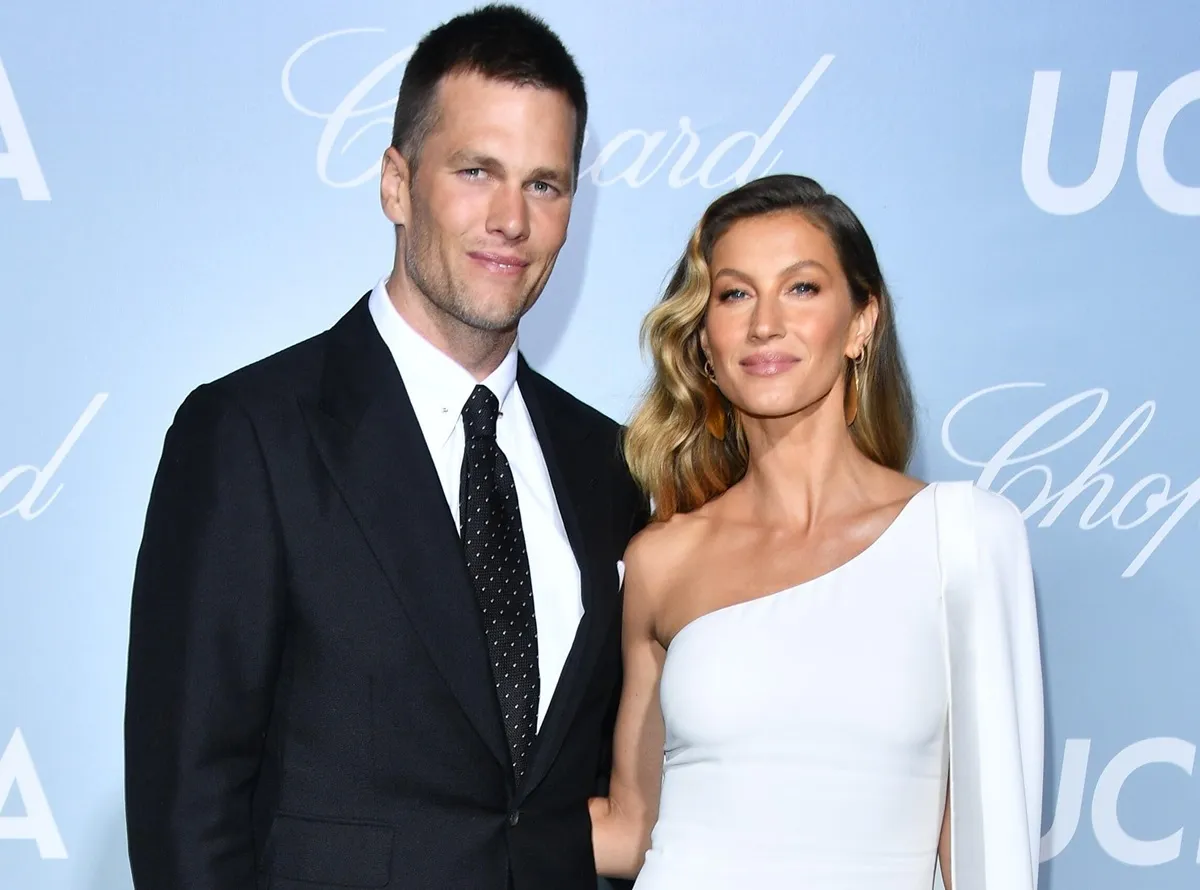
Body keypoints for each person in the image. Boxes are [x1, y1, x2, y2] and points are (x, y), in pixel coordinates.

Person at [123, 5, 646, 889]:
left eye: (545, 184)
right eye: (476, 170)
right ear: (396, 184)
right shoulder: (251, 435)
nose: (511, 219)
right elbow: (188, 805)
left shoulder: (611, 467)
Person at [589, 174, 1044, 889]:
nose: (765, 323)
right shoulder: (663, 560)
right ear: (705, 340)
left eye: (801, 288)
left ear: (862, 322)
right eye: (735, 294)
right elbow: (631, 827)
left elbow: (988, 856)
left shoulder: (962, 538)